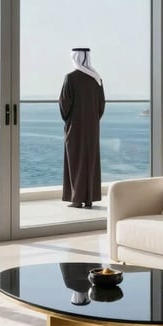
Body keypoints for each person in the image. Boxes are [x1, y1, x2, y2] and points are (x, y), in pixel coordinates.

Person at [59, 48, 105, 209]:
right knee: (90, 160)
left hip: (75, 126)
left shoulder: (70, 78)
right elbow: (101, 105)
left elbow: (64, 104)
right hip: (92, 128)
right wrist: (93, 120)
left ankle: (77, 199)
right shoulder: (96, 79)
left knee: (75, 160)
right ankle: (89, 199)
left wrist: (69, 120)